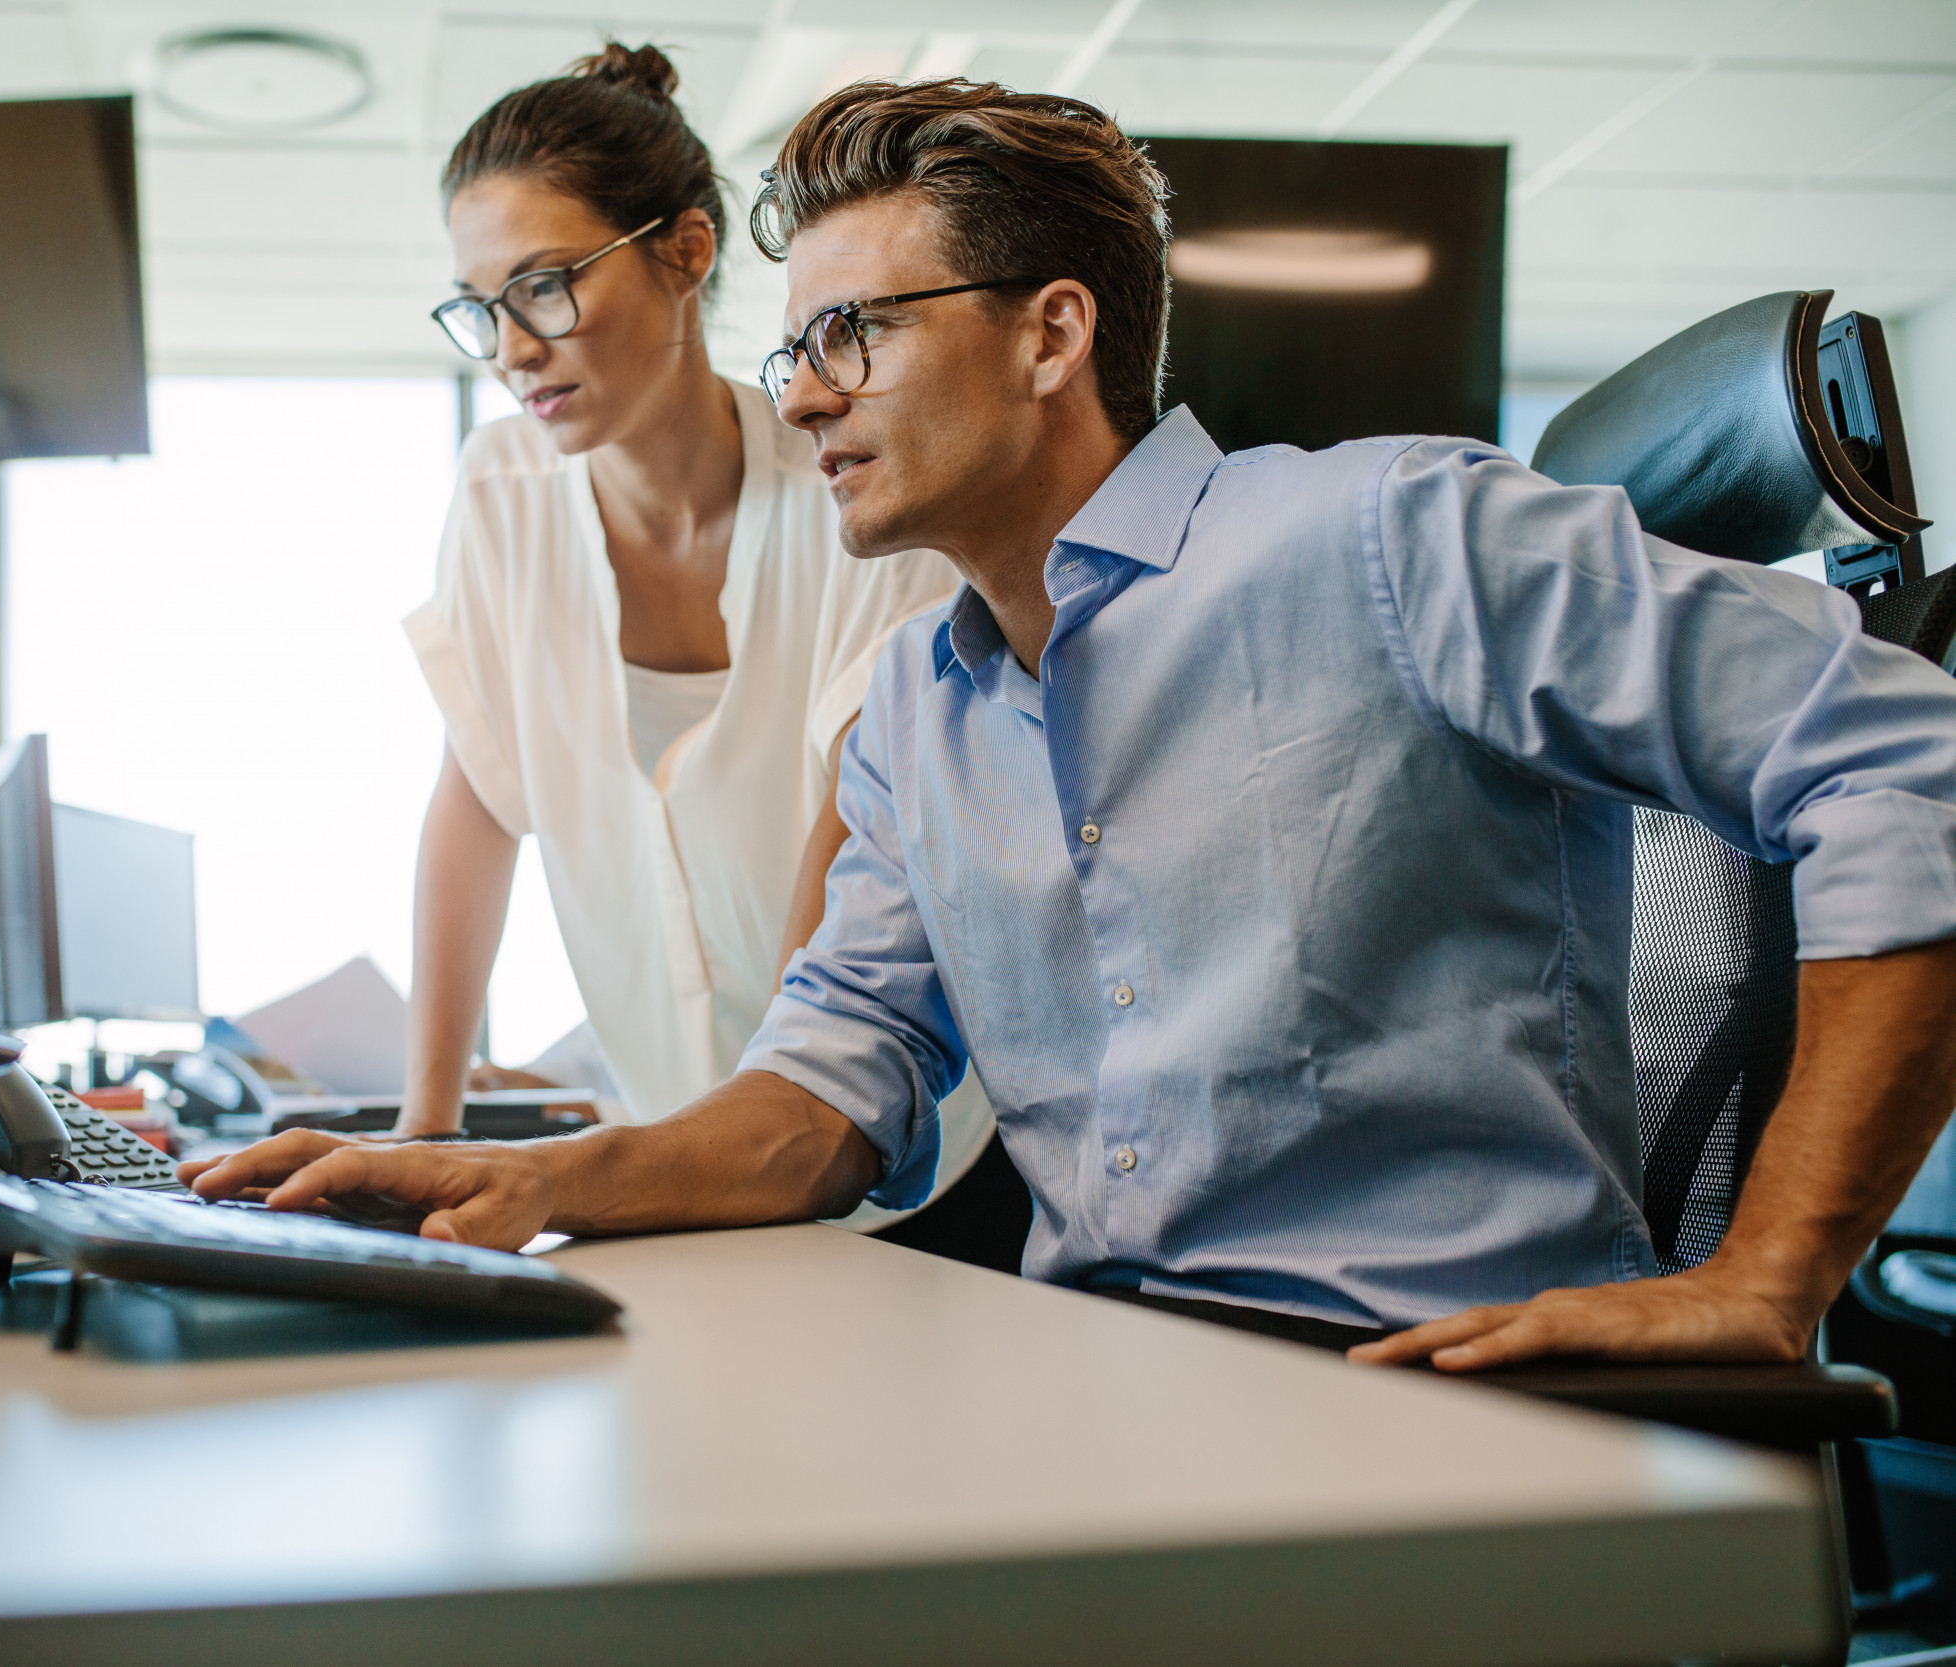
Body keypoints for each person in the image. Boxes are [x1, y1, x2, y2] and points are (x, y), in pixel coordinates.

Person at [184, 78, 1956, 1373]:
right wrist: (506, 1178)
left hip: (1441, 1402)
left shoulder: (1397, 535)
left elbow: (1904, 757)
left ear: (1052, 334)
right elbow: (820, 1104)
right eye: (795, 346)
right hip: (1106, 1386)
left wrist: (1777, 1268)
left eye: (855, 336)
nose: (799, 394)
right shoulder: (911, 722)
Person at [388, 43, 975, 1182]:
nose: (513, 348)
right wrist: (427, 1120)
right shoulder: (500, 497)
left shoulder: (850, 491)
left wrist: (762, 1133)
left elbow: (853, 830)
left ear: (686, 253)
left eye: (546, 285)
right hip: (672, 1124)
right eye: (481, 308)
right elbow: (475, 800)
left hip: (893, 1141)